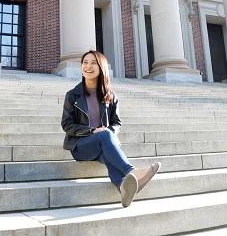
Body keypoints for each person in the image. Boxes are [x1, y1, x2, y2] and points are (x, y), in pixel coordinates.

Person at [61, 50, 161, 207]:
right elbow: (67, 125)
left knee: (109, 154)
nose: (88, 66)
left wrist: (110, 136)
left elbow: (117, 123)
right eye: (85, 62)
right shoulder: (72, 95)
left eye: (93, 63)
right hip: (80, 146)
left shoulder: (110, 96)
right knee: (105, 136)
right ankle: (132, 171)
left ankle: (123, 188)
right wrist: (93, 131)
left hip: (103, 143)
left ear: (102, 67)